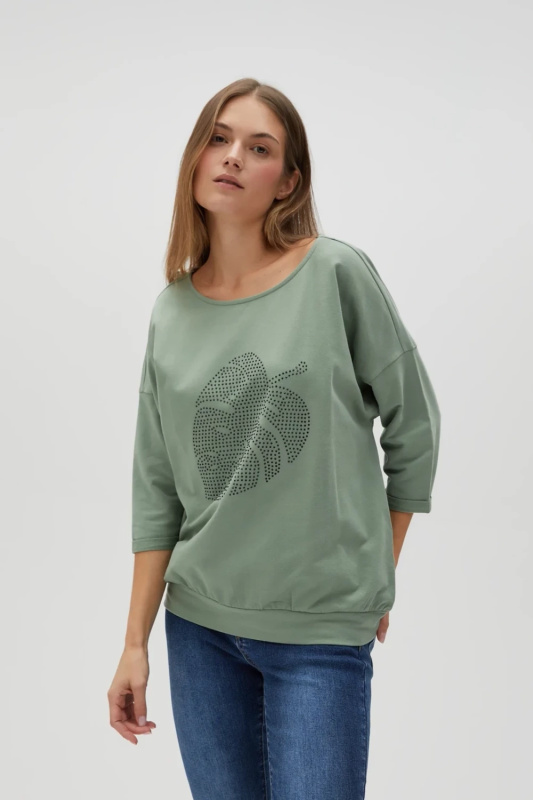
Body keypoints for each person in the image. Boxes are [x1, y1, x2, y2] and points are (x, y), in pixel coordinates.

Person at [108, 77, 441, 799]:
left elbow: (415, 424)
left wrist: (377, 570)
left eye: (259, 148)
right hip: (198, 630)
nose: (232, 156)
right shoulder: (172, 311)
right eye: (218, 138)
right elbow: (157, 487)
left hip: (320, 635)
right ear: (196, 158)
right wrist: (134, 644)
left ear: (288, 181)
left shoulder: (335, 273)